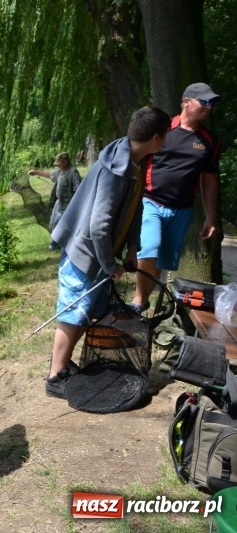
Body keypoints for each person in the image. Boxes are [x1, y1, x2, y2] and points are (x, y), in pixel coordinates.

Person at [46, 106, 171, 399]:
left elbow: (134, 210)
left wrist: (130, 248)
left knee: (87, 312)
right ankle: (55, 376)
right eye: (165, 136)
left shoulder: (135, 163)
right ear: (156, 138)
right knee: (74, 312)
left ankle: (63, 367)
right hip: (84, 252)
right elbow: (98, 226)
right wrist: (109, 263)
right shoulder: (116, 170)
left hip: (103, 254)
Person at [130, 83, 222, 313]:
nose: (208, 107)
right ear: (186, 102)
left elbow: (209, 180)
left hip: (182, 210)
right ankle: (138, 302)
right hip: (150, 201)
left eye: (211, 103)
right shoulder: (162, 129)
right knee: (148, 249)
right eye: (204, 101)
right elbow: (136, 158)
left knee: (161, 263)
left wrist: (210, 217)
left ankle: (140, 306)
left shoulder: (209, 141)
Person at [28, 152, 82, 251]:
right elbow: (50, 175)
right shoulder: (60, 171)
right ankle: (55, 244)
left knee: (60, 224)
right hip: (59, 203)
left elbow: (80, 191)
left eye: (59, 163)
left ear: (65, 162)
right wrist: (36, 173)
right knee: (53, 223)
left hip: (68, 205)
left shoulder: (73, 173)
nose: (58, 165)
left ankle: (58, 245)